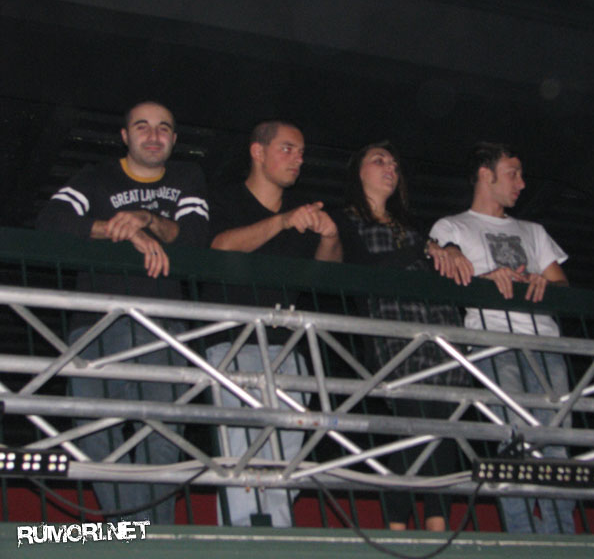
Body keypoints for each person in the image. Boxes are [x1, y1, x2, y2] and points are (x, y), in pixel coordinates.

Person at [35, 100, 210, 524]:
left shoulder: (187, 177)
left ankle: (141, 539)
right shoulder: (95, 176)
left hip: (163, 326)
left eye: (163, 128)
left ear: (174, 139)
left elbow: (195, 237)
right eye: (142, 126)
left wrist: (145, 219)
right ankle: (136, 535)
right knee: (95, 436)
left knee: (162, 439)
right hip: (96, 324)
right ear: (125, 136)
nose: (153, 135)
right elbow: (50, 222)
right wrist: (119, 231)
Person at [429, 141, 575, 534]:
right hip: (493, 343)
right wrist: (484, 280)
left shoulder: (533, 231)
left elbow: (563, 287)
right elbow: (444, 270)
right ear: (485, 175)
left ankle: (562, 536)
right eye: (513, 174)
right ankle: (523, 537)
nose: (522, 184)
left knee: (555, 441)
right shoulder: (452, 226)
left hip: (546, 343)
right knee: (512, 439)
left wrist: (541, 282)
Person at [206, 120, 341, 527]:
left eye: (301, 153)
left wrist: (329, 237)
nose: (297, 159)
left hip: (288, 350)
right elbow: (220, 247)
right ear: (257, 151)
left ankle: (277, 537)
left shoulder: (303, 211)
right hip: (233, 343)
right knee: (243, 457)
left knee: (286, 461)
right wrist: (282, 222)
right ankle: (245, 540)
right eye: (287, 149)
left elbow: (328, 276)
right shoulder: (224, 198)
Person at [332, 141, 472, 531]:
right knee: (416, 424)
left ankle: (436, 525)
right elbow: (363, 269)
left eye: (394, 163)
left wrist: (450, 250)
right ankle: (396, 524)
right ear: (358, 172)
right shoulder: (345, 219)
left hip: (440, 327)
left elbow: (439, 269)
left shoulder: (411, 226)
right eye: (379, 160)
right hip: (393, 329)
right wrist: (422, 250)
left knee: (443, 427)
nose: (390, 167)